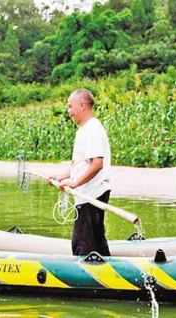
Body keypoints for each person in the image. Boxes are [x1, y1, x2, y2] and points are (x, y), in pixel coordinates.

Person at [48, 88, 111, 256]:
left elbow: (97, 164)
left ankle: (85, 277)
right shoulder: (84, 130)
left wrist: (75, 183)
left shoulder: (93, 129)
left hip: (91, 194)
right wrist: (60, 177)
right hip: (87, 194)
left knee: (82, 243)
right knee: (97, 242)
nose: (69, 111)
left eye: (70, 106)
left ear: (82, 105)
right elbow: (80, 164)